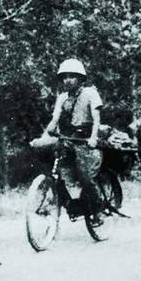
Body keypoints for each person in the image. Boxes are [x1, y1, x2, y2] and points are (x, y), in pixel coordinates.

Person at [37, 58, 104, 225]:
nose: (68, 80)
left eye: (72, 76)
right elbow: (55, 120)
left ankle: (97, 212)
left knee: (86, 177)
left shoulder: (90, 93)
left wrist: (93, 137)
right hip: (68, 138)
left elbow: (96, 118)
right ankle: (72, 206)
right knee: (61, 173)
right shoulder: (62, 98)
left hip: (85, 139)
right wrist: (45, 136)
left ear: (80, 78)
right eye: (65, 77)